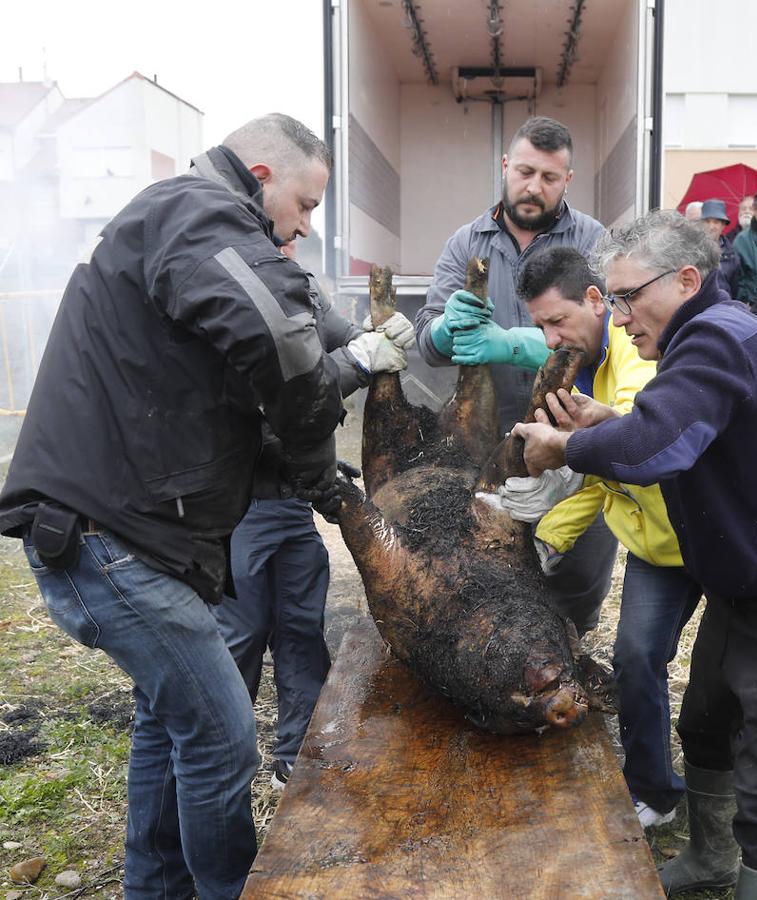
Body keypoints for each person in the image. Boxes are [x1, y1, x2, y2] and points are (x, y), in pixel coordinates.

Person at [0, 114, 343, 899]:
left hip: (130, 535)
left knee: (171, 720)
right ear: (260, 176)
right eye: (306, 202)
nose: (304, 225)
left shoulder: (183, 231)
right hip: (108, 540)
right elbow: (284, 344)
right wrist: (311, 448)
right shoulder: (195, 210)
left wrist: (288, 470)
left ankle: (155, 890)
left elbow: (191, 411)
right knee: (224, 741)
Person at [512, 210, 757, 899]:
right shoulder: (703, 341)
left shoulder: (716, 339)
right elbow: (684, 430)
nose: (617, 316)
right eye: (610, 300)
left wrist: (566, 447)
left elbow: (656, 448)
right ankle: (709, 859)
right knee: (703, 725)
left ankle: (756, 872)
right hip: (741, 589)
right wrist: (612, 422)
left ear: (686, 280)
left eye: (626, 297)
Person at [492, 246, 701, 830]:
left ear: (594, 299)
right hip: (656, 546)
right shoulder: (585, 366)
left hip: (712, 537)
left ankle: (729, 800)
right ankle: (654, 792)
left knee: (729, 684)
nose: (552, 338)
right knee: (636, 658)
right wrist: (548, 534)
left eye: (558, 320)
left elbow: (638, 443)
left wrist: (565, 449)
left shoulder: (637, 354)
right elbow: (599, 478)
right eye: (539, 327)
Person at [214, 240, 414, 790]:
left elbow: (335, 333)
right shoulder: (228, 292)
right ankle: (220, 759)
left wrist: (376, 337)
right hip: (241, 503)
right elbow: (279, 397)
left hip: (290, 504)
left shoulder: (297, 284)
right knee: (242, 632)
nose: (298, 231)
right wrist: (355, 363)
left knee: (302, 626)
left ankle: (296, 755)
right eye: (295, 212)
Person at [413, 115, 616, 634]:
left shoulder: (595, 242)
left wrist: (510, 344)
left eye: (550, 177)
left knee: (576, 579)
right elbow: (426, 340)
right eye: (525, 172)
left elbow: (614, 331)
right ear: (506, 166)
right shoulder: (467, 244)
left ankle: (569, 652)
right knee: (486, 571)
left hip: (576, 438)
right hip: (485, 438)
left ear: (567, 180)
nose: (534, 186)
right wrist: (443, 331)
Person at [697, 198, 741, 299]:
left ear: (723, 225)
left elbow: (736, 290)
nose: (711, 226)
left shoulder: (732, 255)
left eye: (716, 222)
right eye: (707, 221)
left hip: (724, 308)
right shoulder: (691, 251)